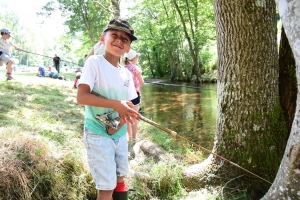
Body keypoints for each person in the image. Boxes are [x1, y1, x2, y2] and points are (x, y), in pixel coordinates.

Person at [77, 18, 140, 200]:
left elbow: (127, 106)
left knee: (120, 177)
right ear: (102, 38)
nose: (119, 40)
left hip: (119, 134)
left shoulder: (127, 74)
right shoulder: (94, 62)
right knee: (106, 187)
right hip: (97, 134)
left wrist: (119, 123)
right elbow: (81, 97)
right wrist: (114, 104)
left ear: (128, 48)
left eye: (125, 39)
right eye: (114, 35)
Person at [124, 49, 144, 141]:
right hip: (135, 95)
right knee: (135, 116)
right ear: (134, 58)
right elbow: (142, 82)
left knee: (127, 116)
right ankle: (134, 138)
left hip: (125, 95)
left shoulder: (123, 67)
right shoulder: (135, 68)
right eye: (137, 57)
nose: (138, 58)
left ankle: (130, 137)